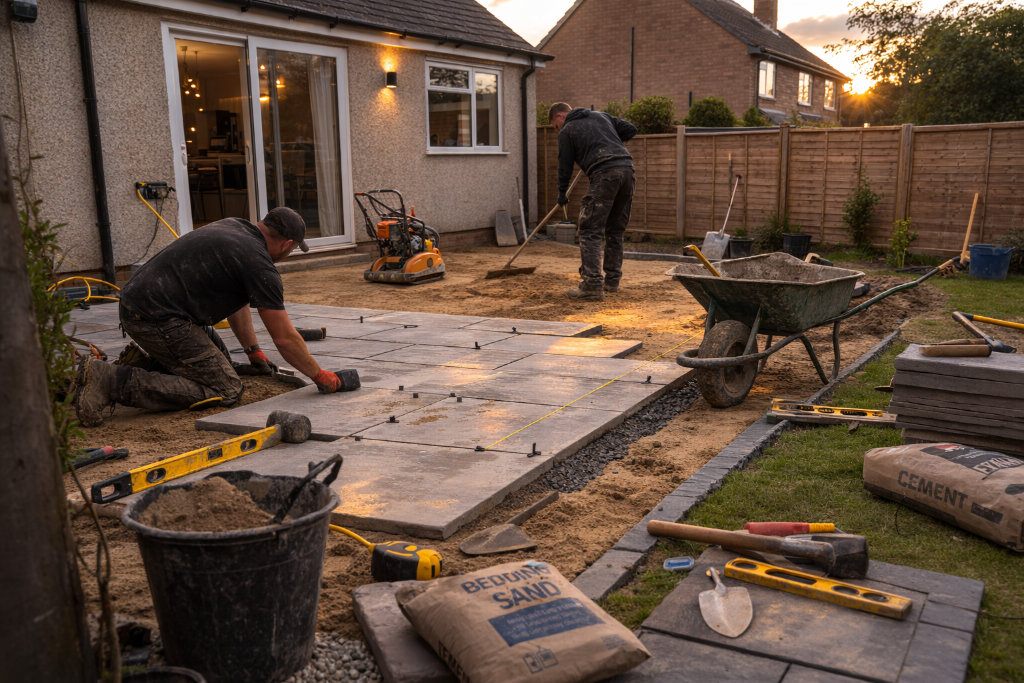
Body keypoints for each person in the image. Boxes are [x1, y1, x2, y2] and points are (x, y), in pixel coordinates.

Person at [73, 207, 345, 427]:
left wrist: (254, 352)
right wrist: (319, 375)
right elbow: (285, 339)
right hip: (156, 317)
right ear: (287, 244)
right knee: (225, 388)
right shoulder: (260, 265)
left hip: (150, 306)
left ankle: (146, 366)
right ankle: (110, 380)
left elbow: (236, 302)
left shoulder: (235, 225)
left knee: (220, 364)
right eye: (294, 248)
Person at [549, 102, 638, 301]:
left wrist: (562, 193)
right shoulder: (602, 116)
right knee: (615, 230)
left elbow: (564, 166)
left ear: (561, 117)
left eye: (556, 126)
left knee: (590, 230)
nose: (558, 130)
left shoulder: (568, 131)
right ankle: (612, 281)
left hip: (605, 174)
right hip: (627, 172)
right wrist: (608, 143)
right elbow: (631, 129)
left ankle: (591, 285)